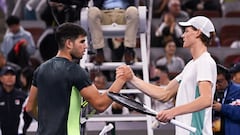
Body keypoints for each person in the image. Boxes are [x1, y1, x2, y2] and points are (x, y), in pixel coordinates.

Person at [117, 16, 217, 135]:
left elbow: (206, 99)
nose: (182, 35)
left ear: (198, 33)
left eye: (186, 31)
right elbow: (164, 94)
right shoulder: (191, 65)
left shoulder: (204, 61)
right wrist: (132, 78)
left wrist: (172, 112)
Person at [25, 23, 130, 135]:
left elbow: (30, 108)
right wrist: (121, 79)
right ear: (69, 44)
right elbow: (100, 105)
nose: (85, 46)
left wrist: (48, 125)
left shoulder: (40, 70)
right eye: (81, 42)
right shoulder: (75, 71)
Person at [88, 0, 139, 65]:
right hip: (105, 13)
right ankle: (99, 51)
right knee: (93, 11)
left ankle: (129, 51)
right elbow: (96, 4)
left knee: (133, 10)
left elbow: (133, 3)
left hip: (123, 13)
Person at [0, 65, 31, 135]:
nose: (10, 77)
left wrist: (23, 128)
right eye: (6, 75)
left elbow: (29, 115)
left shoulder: (23, 96)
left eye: (12, 75)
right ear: (1, 78)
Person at [213, 63, 240, 135]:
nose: (216, 85)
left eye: (219, 81)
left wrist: (222, 108)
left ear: (228, 79)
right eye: (213, 82)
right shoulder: (207, 92)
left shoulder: (238, 91)